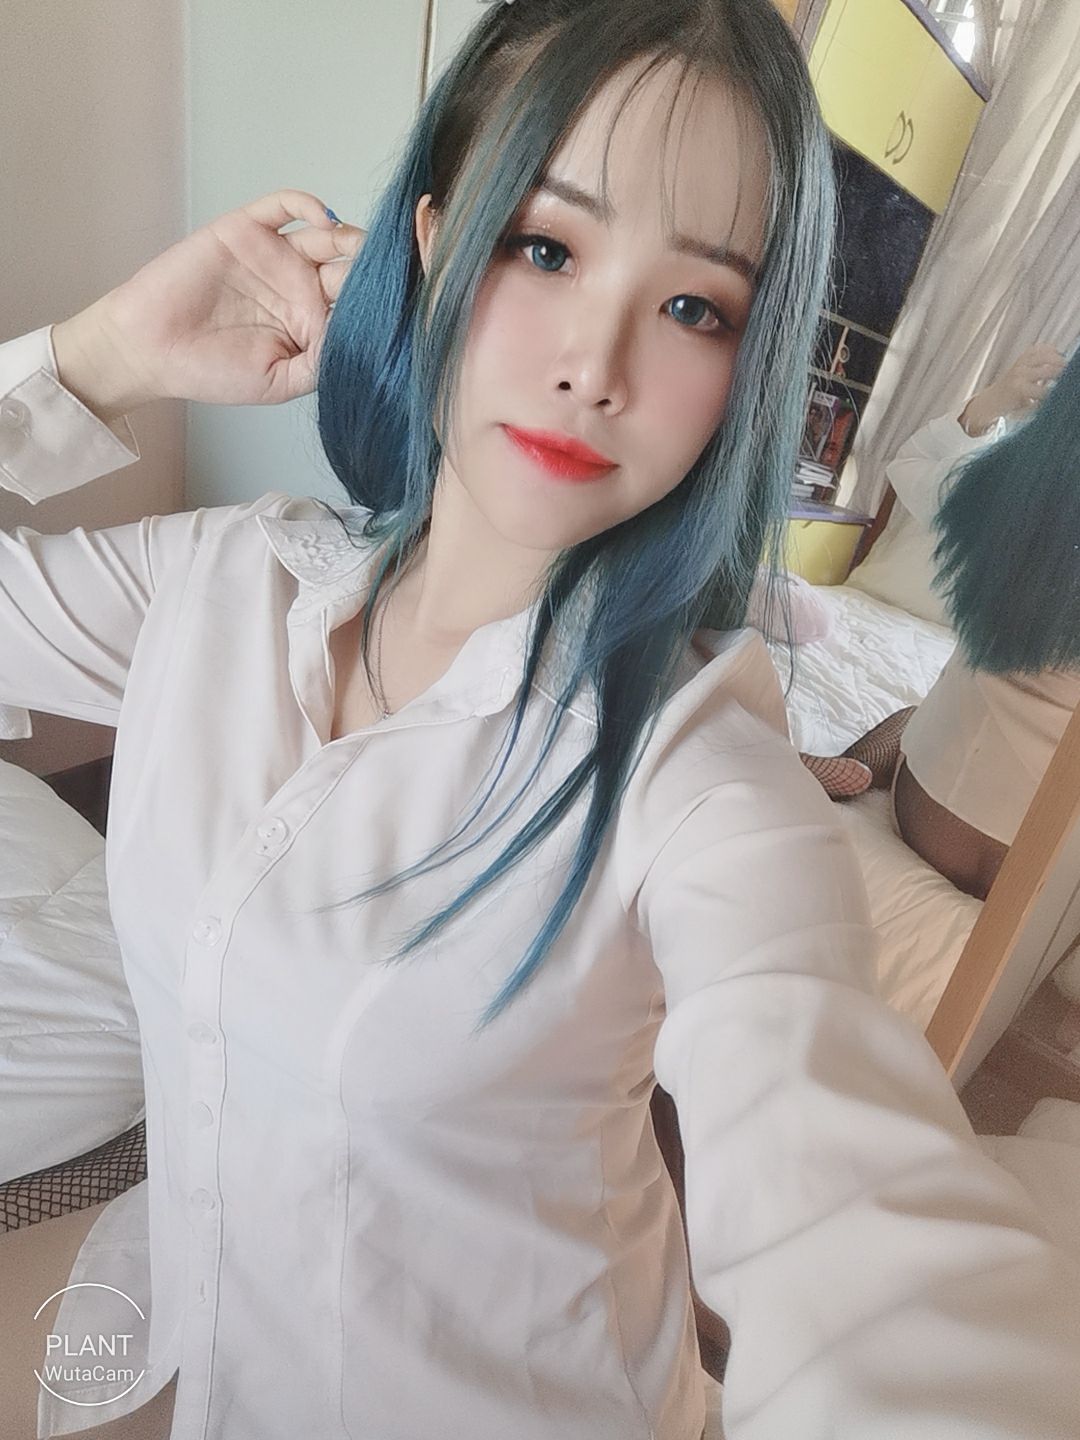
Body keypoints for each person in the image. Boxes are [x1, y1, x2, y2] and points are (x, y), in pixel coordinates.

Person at [2, 3, 1080, 1437]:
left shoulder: (698, 779)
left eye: (695, 308)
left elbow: (856, 1232)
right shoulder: (216, 585)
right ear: (435, 241)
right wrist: (94, 361)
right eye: (547, 248)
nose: (597, 365)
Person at [801, 345, 1080, 902]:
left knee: (912, 715)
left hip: (926, 812)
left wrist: (992, 403)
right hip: (1041, 875)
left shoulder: (1001, 493)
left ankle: (852, 765)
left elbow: (910, 465)